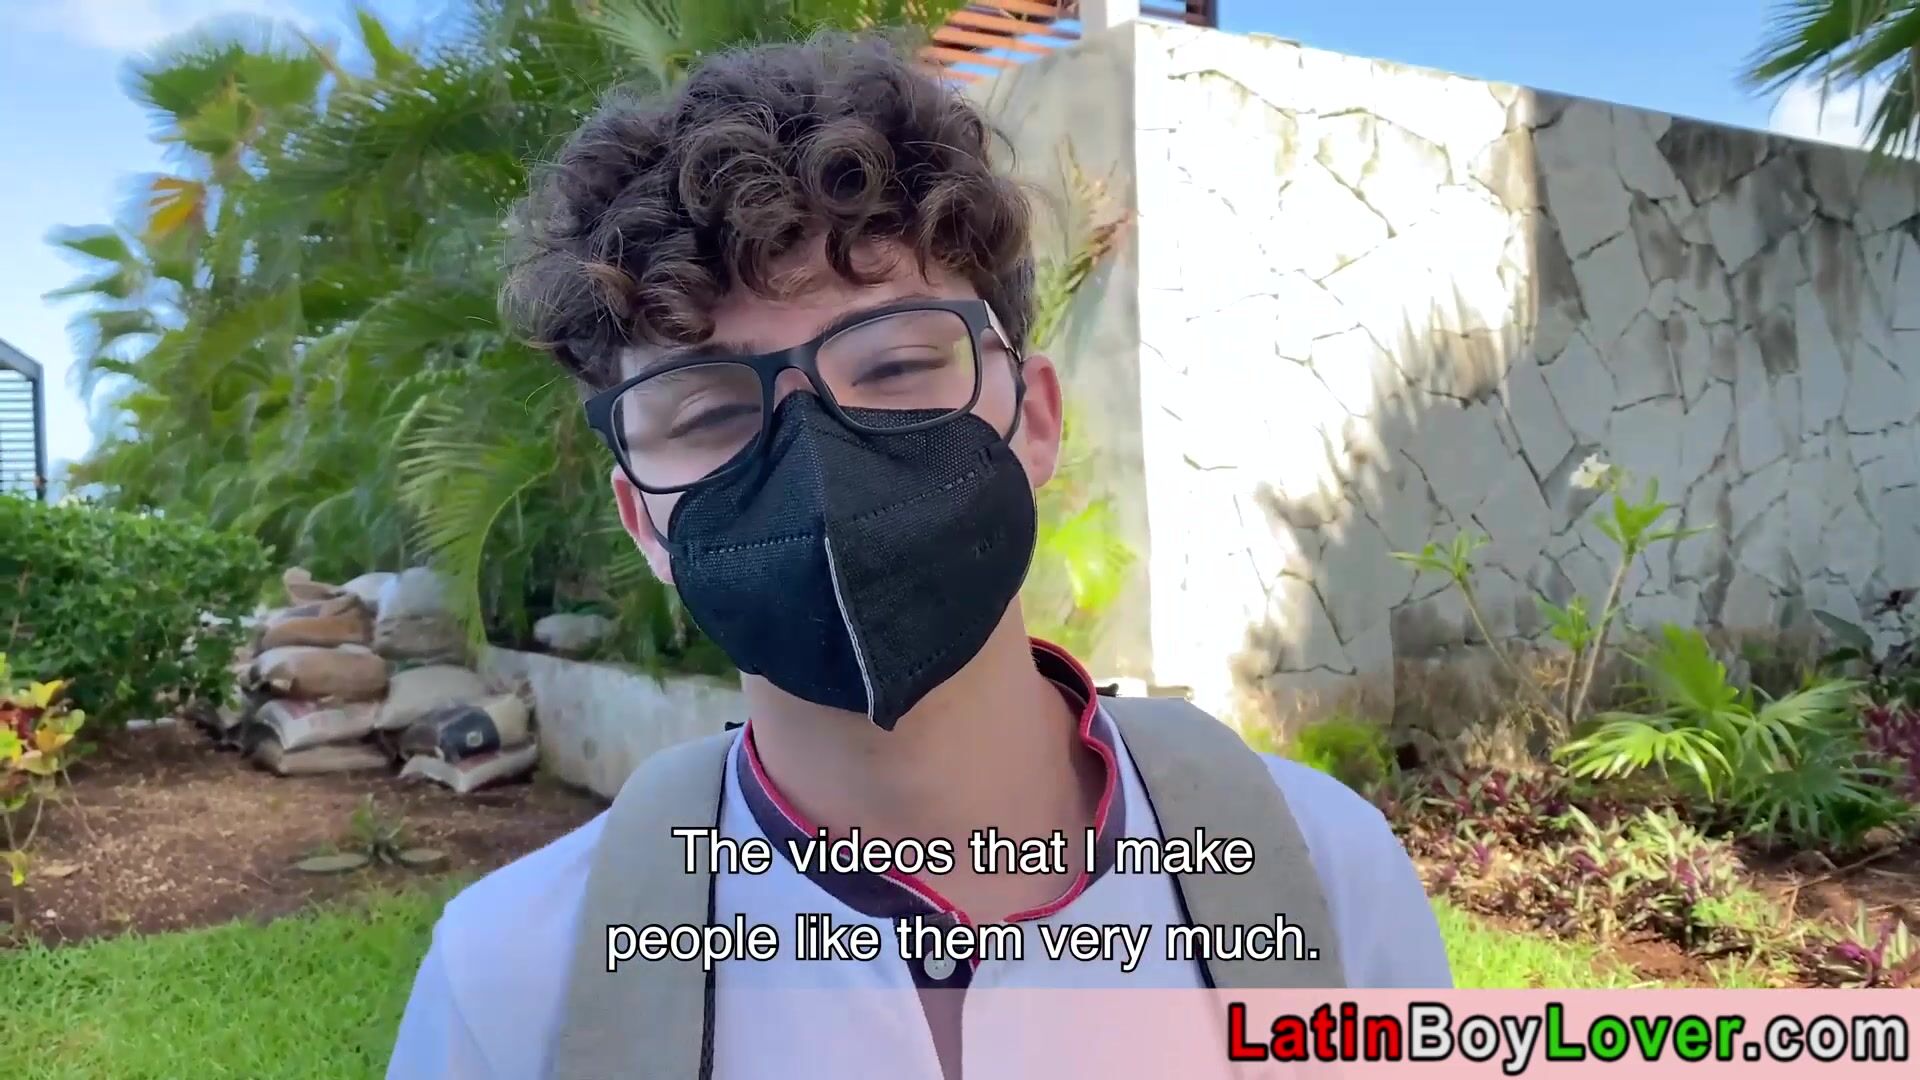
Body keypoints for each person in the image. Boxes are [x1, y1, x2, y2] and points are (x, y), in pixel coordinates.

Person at [386, 33, 1449, 1080]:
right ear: (644, 521)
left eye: (897, 365)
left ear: (1035, 420)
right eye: (706, 410)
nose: (816, 460)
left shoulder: (1325, 876)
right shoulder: (512, 984)